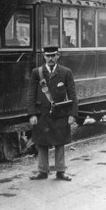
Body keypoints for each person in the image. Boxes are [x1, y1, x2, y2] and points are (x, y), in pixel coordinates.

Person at [27, 46, 78, 181]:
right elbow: (31, 94)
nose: (50, 58)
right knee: (41, 142)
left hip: (60, 113)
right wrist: (32, 114)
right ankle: (42, 171)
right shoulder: (36, 73)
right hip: (42, 113)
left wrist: (73, 114)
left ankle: (60, 171)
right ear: (44, 57)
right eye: (48, 56)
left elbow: (73, 95)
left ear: (57, 56)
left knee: (60, 141)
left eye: (53, 55)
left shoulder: (66, 72)